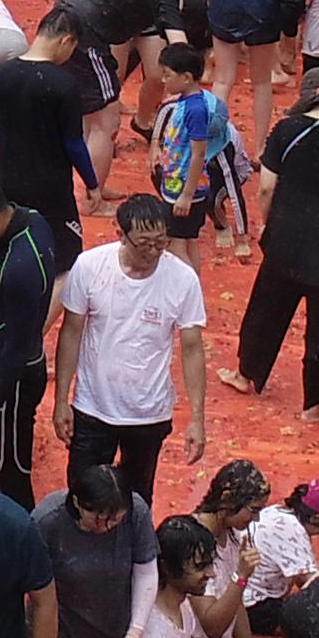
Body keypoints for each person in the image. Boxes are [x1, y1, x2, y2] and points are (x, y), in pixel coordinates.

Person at [52, 196, 213, 512]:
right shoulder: (90, 266)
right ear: (120, 235)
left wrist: (197, 418)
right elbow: (70, 332)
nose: (153, 252)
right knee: (82, 495)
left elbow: (192, 348)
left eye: (160, 243)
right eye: (143, 244)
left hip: (148, 412)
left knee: (138, 501)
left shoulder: (182, 278)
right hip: (93, 406)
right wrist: (61, 400)